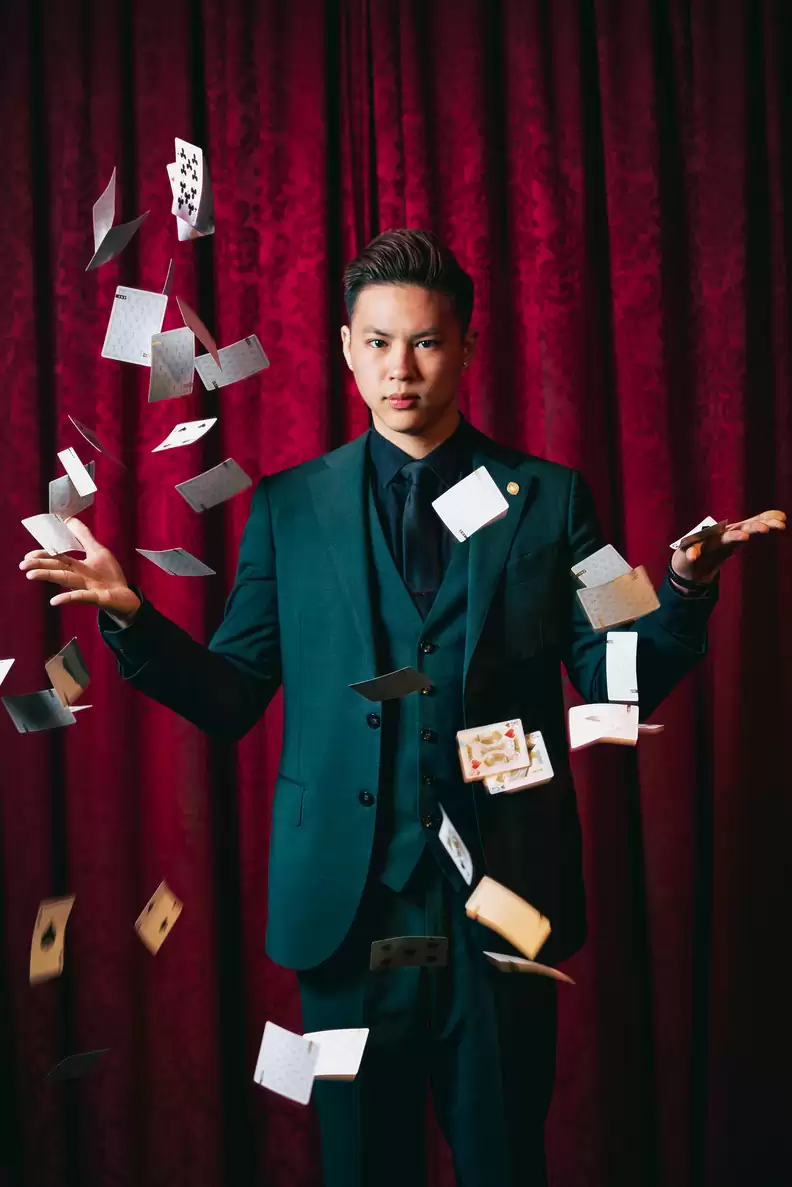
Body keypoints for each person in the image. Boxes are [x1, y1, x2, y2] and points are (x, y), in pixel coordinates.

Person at [19, 230, 786, 1187]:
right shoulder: (288, 509)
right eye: (378, 343)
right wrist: (132, 614)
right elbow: (231, 696)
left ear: (467, 347)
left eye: (424, 342)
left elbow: (612, 677)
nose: (400, 369)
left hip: (504, 914)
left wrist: (683, 592)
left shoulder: (554, 500)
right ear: (346, 346)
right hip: (344, 917)